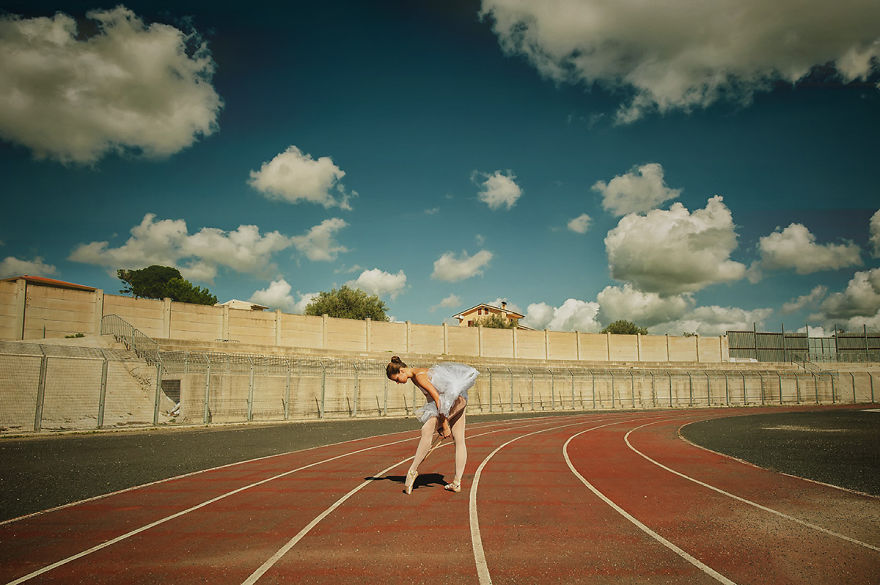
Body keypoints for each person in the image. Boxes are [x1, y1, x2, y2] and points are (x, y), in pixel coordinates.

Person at [386, 356, 478, 494]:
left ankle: (412, 471)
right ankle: (457, 483)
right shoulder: (418, 374)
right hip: (458, 399)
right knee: (459, 440)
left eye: (397, 379)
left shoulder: (419, 376)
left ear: (402, 371)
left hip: (453, 401)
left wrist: (444, 424)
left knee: (427, 429)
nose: (398, 383)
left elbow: (437, 399)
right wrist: (442, 423)